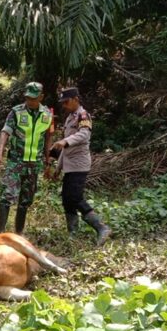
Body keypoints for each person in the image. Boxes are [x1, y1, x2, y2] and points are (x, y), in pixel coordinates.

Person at [50, 87, 111, 245]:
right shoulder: (70, 118)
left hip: (80, 164)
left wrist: (65, 141)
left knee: (75, 197)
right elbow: (65, 148)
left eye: (67, 101)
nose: (64, 105)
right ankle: (73, 234)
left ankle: (101, 227)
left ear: (76, 99)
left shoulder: (84, 115)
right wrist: (58, 168)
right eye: (62, 103)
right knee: (66, 199)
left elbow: (84, 134)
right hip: (69, 165)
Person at [0, 82, 53, 234]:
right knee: (7, 195)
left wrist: (47, 159)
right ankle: (0, 233)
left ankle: (18, 233)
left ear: (41, 97)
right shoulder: (17, 112)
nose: (30, 101)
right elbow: (5, 132)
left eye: (33, 98)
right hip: (16, 161)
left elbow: (47, 137)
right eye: (27, 98)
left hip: (34, 163)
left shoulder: (47, 114)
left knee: (26, 200)